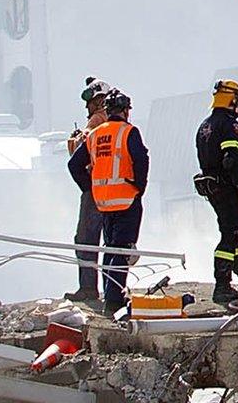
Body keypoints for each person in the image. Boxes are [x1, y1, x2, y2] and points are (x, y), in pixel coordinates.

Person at [66, 89, 147, 313]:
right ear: (125, 111)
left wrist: (90, 186)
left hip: (103, 202)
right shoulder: (129, 132)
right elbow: (141, 160)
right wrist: (138, 188)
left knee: (111, 249)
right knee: (121, 251)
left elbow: (74, 164)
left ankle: (112, 293)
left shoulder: (94, 134)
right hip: (126, 200)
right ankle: (113, 299)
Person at [194, 79, 238, 304]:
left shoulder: (205, 125)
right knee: (231, 233)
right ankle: (222, 285)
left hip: (214, 188)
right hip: (228, 187)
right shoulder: (229, 124)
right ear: (231, 98)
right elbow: (232, 159)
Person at [64, 76, 109, 304]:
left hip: (95, 190)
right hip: (115, 192)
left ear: (97, 100)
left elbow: (78, 157)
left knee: (85, 239)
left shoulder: (96, 121)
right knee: (112, 242)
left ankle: (88, 288)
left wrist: (72, 143)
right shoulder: (116, 124)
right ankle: (113, 291)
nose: (87, 107)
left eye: (89, 102)